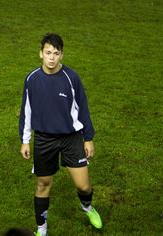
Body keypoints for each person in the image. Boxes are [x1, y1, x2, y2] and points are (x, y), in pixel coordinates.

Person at [19, 33, 102, 235]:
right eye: (48, 53)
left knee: (83, 186)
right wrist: (25, 140)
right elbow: (26, 111)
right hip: (44, 140)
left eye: (56, 53)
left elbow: (83, 108)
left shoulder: (71, 77)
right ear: (40, 54)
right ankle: (42, 229)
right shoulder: (32, 79)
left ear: (61, 55)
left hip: (71, 138)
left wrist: (88, 138)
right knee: (42, 184)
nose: (51, 57)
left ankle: (87, 207)